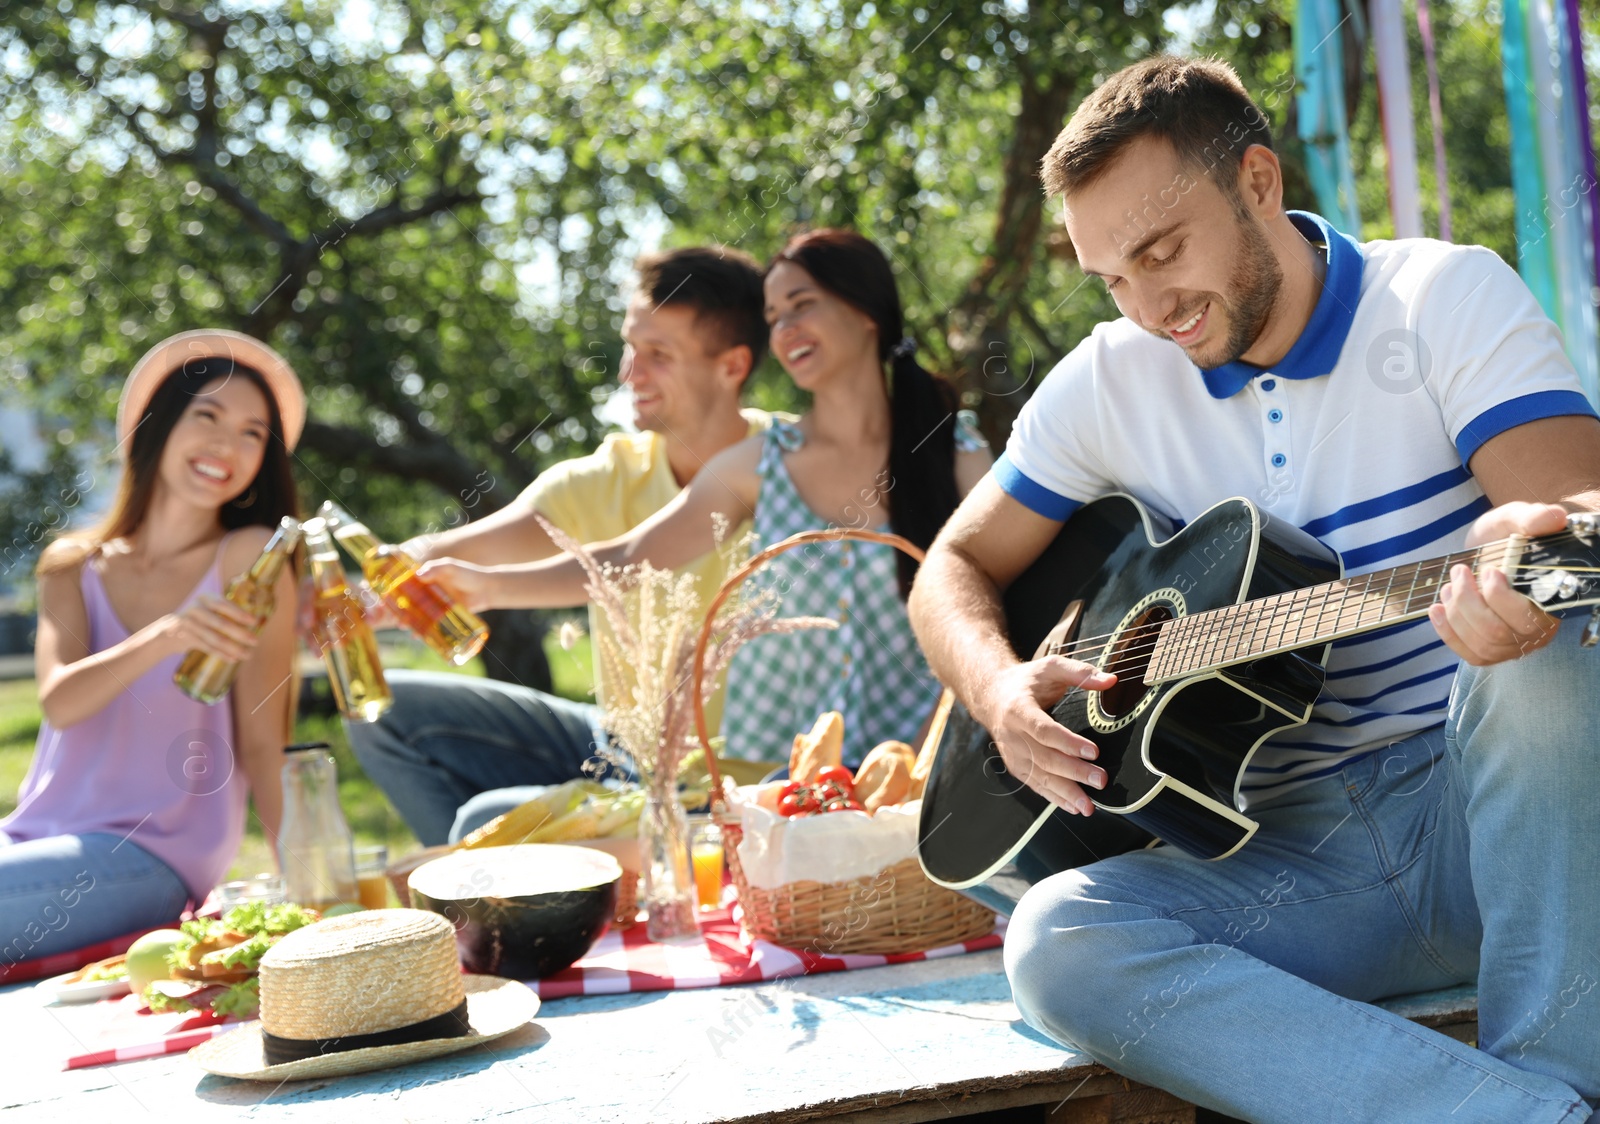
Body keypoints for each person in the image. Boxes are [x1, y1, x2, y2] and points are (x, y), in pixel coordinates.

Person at [907, 56, 1600, 1122]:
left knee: (1555, 628)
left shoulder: (1441, 296)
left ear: (1259, 184)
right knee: (1055, 937)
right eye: (1110, 278)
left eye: (1160, 250)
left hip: (1499, 823)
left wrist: (1530, 539)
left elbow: (1577, 521)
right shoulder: (1105, 379)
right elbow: (953, 566)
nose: (1147, 307)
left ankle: (1566, 1075)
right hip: (1294, 859)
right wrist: (997, 688)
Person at [421, 229, 991, 781]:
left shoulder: (951, 452)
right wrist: (487, 587)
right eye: (773, 317)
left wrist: (924, 760)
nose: (785, 328)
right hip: (789, 782)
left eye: (801, 305)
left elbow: (1002, 597)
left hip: (931, 767)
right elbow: (633, 557)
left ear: (866, 312)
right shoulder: (758, 464)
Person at [345, 246, 790, 847]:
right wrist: (385, 577)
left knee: (487, 821)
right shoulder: (605, 474)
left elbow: (630, 560)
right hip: (617, 748)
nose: (630, 372)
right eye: (632, 347)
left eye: (659, 355)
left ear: (732, 366)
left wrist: (489, 590)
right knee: (384, 711)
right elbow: (469, 545)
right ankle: (482, 904)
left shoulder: (791, 465)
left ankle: (509, 889)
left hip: (734, 786)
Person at [0, 331, 304, 963]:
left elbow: (260, 743)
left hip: (152, 856)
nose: (227, 444)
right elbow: (60, 703)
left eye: (253, 433)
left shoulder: (247, 560)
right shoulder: (71, 564)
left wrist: (310, 890)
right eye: (208, 416)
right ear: (159, 426)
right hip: (28, 837)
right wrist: (164, 637)